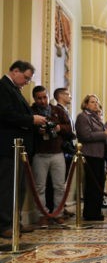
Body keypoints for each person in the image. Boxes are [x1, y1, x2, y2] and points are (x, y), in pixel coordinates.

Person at [0, 60, 47, 238]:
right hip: (8, 146)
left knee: (19, 187)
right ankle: (5, 225)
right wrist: (31, 120)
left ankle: (16, 222)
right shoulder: (3, 87)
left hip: (19, 148)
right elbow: (6, 114)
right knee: (7, 188)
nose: (27, 82)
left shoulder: (15, 90)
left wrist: (35, 125)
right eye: (26, 78)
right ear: (15, 71)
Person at [31, 85, 72, 226]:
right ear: (35, 99)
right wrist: (38, 131)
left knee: (59, 186)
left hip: (57, 153)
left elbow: (69, 129)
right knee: (40, 187)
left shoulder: (57, 111)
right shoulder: (32, 112)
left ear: (49, 97)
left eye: (45, 97)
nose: (43, 101)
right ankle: (42, 215)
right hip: (40, 154)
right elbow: (26, 129)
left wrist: (59, 127)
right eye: (39, 98)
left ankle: (58, 213)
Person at [75, 94, 107, 221]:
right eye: (92, 102)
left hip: (99, 154)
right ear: (86, 104)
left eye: (97, 102)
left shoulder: (96, 117)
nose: (95, 104)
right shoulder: (83, 117)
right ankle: (90, 213)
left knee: (99, 183)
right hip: (90, 154)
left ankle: (96, 211)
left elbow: (101, 136)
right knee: (92, 185)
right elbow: (85, 136)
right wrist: (104, 134)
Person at [54, 87, 77, 218]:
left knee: (63, 182)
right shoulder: (56, 110)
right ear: (60, 96)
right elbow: (63, 129)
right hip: (62, 148)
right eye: (68, 94)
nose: (70, 97)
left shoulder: (65, 110)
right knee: (59, 182)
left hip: (68, 148)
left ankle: (62, 207)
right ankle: (58, 209)